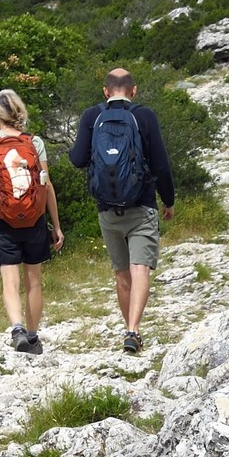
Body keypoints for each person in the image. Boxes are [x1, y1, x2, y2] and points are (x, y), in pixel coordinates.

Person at [67, 68, 175, 354]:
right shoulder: (145, 116)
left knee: (122, 273)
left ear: (105, 91)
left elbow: (77, 159)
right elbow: (161, 165)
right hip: (141, 205)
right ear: (134, 90)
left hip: (107, 209)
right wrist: (169, 200)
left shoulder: (92, 116)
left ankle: (128, 327)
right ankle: (133, 330)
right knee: (141, 268)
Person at [0, 89, 63, 355]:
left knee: (10, 281)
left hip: (3, 220)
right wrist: (56, 225)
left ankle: (17, 329)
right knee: (34, 280)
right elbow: (46, 185)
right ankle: (33, 336)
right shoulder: (34, 142)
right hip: (34, 220)